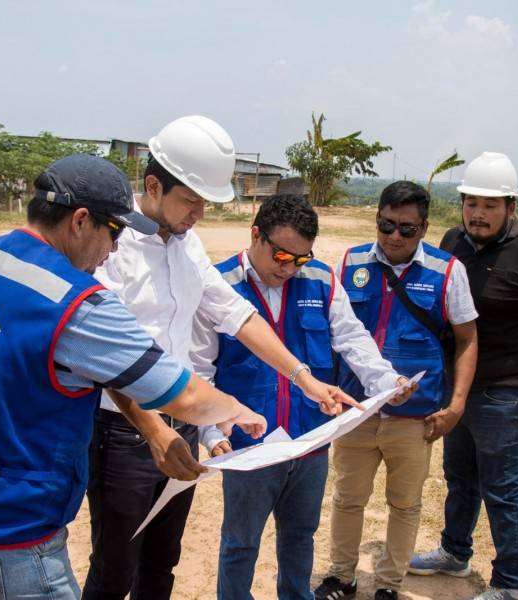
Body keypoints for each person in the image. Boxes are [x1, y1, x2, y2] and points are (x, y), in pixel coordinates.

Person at [0, 154, 267, 599]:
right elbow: (184, 398)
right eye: (115, 232)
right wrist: (236, 410)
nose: (115, 249)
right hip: (6, 536)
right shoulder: (76, 304)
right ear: (81, 221)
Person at [83, 117, 356, 600]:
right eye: (191, 200)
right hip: (126, 432)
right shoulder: (114, 248)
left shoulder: (187, 245)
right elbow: (108, 358)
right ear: (153, 186)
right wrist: (154, 431)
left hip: (181, 423)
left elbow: (238, 315)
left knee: (162, 562)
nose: (200, 213)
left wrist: (304, 378)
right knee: (114, 569)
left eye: (205, 202)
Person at [191, 194, 413, 600]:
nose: (289, 268)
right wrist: (210, 431)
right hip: (249, 448)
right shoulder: (219, 285)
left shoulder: (321, 280)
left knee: (299, 538)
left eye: (300, 258)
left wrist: (386, 381)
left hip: (310, 442)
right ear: (255, 235)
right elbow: (201, 368)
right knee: (240, 544)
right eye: (280, 256)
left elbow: (352, 338)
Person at [408, 152, 518, 600]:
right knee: (459, 476)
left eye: (490, 205)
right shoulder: (454, 241)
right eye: (471, 203)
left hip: (508, 392)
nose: (478, 214)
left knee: (502, 487)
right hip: (459, 388)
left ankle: (510, 582)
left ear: (511, 206)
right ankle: (454, 552)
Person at [314, 181, 479, 600]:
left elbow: (467, 340)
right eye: (386, 225)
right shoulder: (350, 262)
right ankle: (341, 577)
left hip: (415, 416)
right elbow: (333, 331)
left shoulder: (447, 272)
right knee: (347, 498)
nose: (394, 237)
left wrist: (456, 405)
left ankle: (389, 584)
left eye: (407, 229)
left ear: (424, 228)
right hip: (358, 410)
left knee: (404, 504)